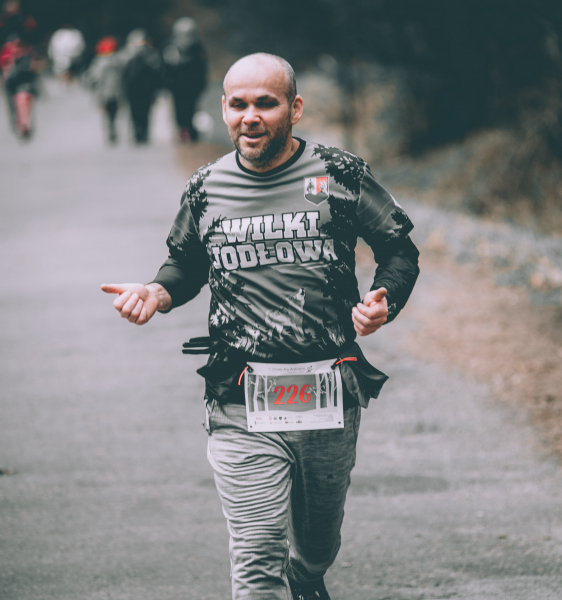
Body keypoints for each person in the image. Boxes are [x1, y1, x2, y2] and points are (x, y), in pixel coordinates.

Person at [101, 53, 419, 600]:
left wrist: (384, 300)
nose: (250, 117)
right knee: (256, 553)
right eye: (238, 104)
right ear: (224, 109)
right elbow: (186, 264)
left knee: (316, 546)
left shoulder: (340, 174)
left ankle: (306, 575)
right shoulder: (206, 187)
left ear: (294, 109)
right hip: (239, 393)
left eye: (266, 104)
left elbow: (398, 249)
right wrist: (157, 291)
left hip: (327, 390)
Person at [162, 16, 208, 142]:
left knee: (191, 109)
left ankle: (190, 132)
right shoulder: (172, 48)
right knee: (180, 110)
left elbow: (202, 68)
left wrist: (202, 83)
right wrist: (167, 82)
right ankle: (183, 131)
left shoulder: (197, 49)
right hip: (177, 86)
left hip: (192, 85)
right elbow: (167, 67)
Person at [121, 28, 161, 144]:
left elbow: (157, 70)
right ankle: (137, 133)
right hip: (132, 89)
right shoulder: (127, 55)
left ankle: (144, 133)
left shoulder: (151, 54)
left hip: (147, 89)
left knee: (145, 111)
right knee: (134, 112)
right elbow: (122, 72)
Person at [0, 31, 40, 138]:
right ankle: (18, 124)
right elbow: (4, 66)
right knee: (14, 107)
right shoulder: (7, 52)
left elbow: (34, 66)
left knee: (25, 106)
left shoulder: (27, 51)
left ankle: (25, 126)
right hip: (12, 84)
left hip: (23, 84)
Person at [85, 36, 123, 144]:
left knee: (107, 114)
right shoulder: (119, 60)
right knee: (114, 114)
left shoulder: (99, 63)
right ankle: (113, 130)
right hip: (116, 93)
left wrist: (91, 85)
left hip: (104, 93)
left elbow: (93, 78)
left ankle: (110, 131)